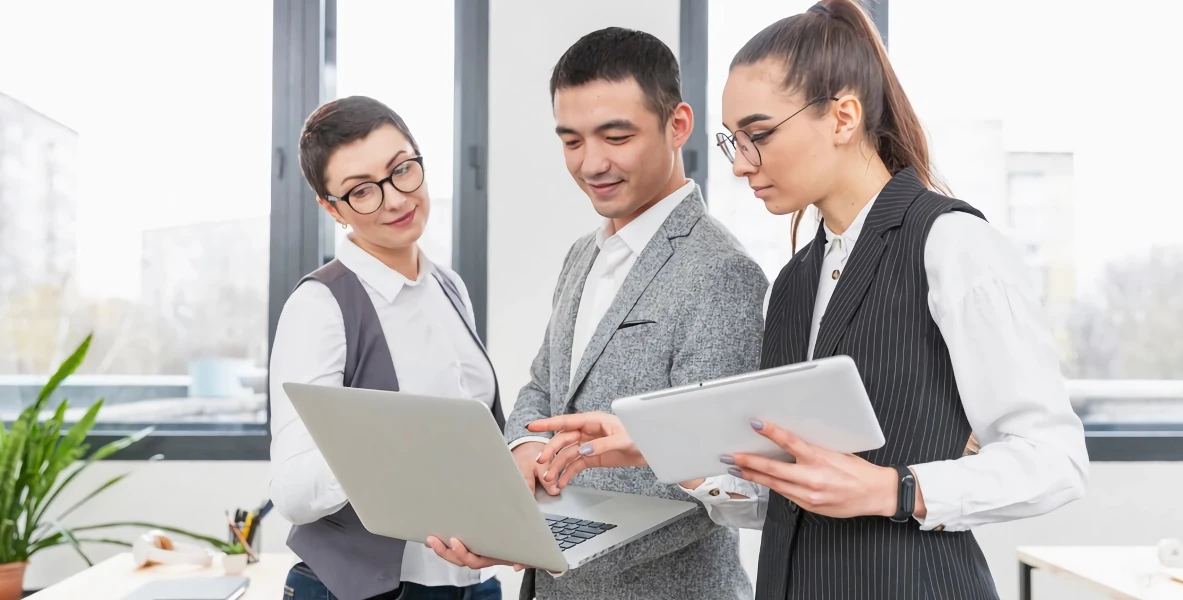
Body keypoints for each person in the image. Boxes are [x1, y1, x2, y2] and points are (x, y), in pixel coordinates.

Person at [528, 2, 1091, 599]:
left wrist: (893, 489)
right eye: (733, 141)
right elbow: (781, 501)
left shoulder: (952, 244)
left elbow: (1054, 460)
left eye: (760, 135)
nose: (742, 164)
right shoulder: (798, 279)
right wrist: (662, 446)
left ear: (843, 116)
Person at [426, 27, 768, 600]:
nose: (591, 163)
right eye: (571, 141)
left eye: (615, 136)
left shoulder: (723, 272)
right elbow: (543, 389)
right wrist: (525, 452)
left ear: (677, 124)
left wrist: (537, 538)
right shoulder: (582, 254)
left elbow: (711, 469)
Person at [268, 96, 504, 600]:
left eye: (402, 170)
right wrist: (395, 442)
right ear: (331, 209)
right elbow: (291, 491)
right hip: (369, 590)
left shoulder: (450, 287)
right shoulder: (321, 307)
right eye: (361, 192)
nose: (395, 199)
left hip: (472, 582)